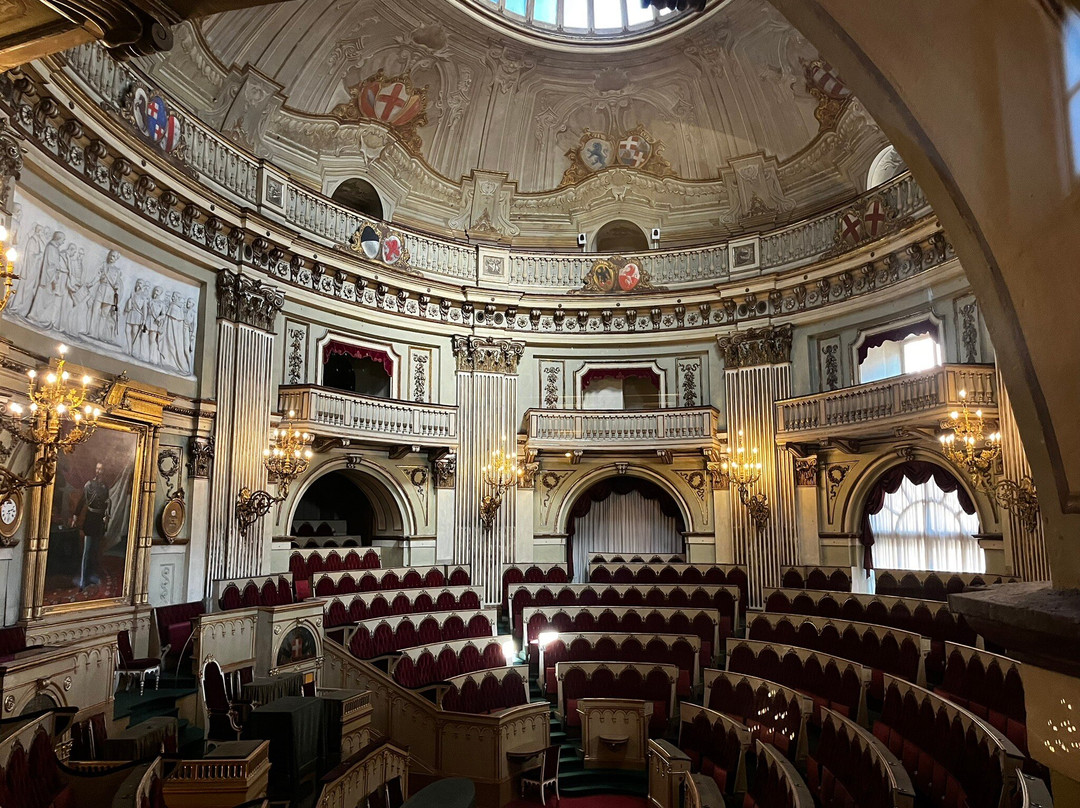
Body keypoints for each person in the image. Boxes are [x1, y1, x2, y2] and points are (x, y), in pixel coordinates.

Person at [71, 461, 112, 590]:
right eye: (97, 469)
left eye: (101, 469)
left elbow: (106, 503)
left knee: (95, 550)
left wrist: (106, 516)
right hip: (90, 520)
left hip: (99, 521)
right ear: (95, 470)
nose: (99, 471)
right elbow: (82, 501)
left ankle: (92, 576)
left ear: (104, 471)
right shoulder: (89, 485)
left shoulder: (105, 486)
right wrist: (75, 516)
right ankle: (83, 579)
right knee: (87, 552)